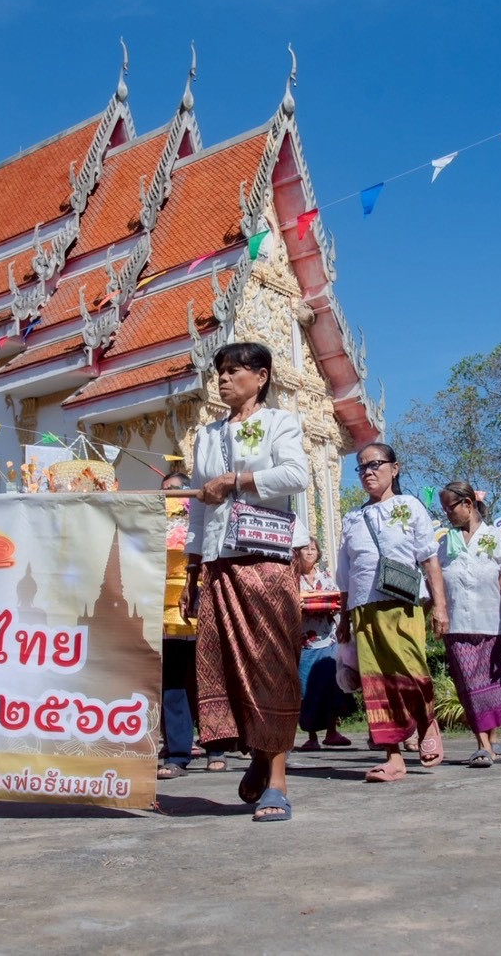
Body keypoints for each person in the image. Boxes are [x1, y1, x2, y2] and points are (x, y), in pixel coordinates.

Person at [185, 341, 308, 822]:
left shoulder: (281, 422)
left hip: (266, 560)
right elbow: (198, 505)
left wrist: (237, 480)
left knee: (271, 667)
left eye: (234, 370)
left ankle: (277, 780)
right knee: (226, 671)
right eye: (219, 371)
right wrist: (192, 573)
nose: (222, 379)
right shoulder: (206, 434)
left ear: (260, 377)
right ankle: (257, 754)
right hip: (218, 562)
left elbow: (296, 474)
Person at [335, 442, 449, 783]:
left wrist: (440, 606)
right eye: (361, 468)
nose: (368, 472)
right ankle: (393, 756)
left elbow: (430, 560)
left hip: (404, 604)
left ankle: (427, 722)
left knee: (411, 671)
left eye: (376, 465)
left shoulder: (410, 506)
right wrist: (343, 618)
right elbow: (344, 574)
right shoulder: (353, 517)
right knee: (377, 683)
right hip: (363, 609)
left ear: (394, 469)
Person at [435, 482, 501, 767]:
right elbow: (435, 579)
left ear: (468, 504)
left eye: (451, 507)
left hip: (491, 622)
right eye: (444, 509)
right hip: (457, 624)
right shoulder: (444, 543)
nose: (448, 514)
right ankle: (482, 744)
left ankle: (493, 738)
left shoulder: (495, 538)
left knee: (492, 684)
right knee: (469, 684)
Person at [158, 472, 216, 778]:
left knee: (209, 678)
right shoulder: (151, 521)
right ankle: (178, 753)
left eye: (178, 489)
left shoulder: (201, 518)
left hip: (200, 600)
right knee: (173, 682)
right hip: (165, 610)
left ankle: (216, 747)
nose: (172, 494)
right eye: (166, 490)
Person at [292, 542, 352, 752]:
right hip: (303, 643)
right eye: (305, 548)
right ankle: (311, 736)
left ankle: (332, 732)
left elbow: (337, 600)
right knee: (307, 688)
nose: (309, 552)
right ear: (297, 553)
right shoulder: (292, 578)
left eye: (313, 549)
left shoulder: (325, 576)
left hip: (328, 639)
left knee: (330, 685)